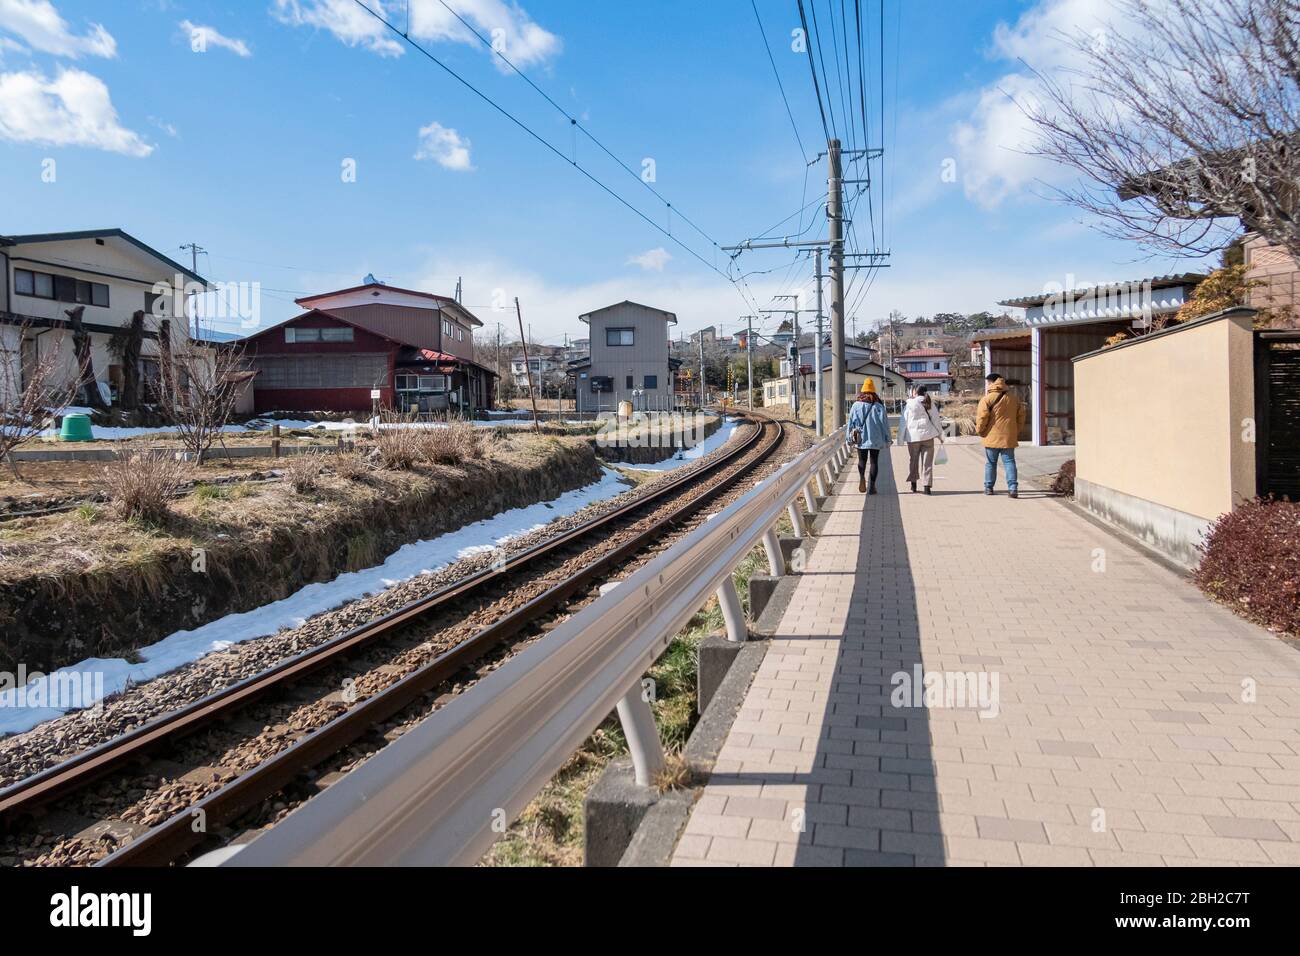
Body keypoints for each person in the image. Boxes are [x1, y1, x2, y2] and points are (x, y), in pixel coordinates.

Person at [975, 372, 1027, 498]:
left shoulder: (987, 399)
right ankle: (1013, 488)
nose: (986, 385)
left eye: (987, 383)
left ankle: (989, 488)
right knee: (1009, 462)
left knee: (991, 463)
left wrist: (980, 431)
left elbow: (982, 418)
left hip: (991, 437)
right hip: (1009, 437)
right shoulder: (1013, 398)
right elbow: (1021, 416)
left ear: (991, 382)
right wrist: (1016, 430)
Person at [896, 385, 944, 494]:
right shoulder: (930, 403)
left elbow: (903, 422)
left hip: (913, 438)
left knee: (913, 461)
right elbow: (936, 420)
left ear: (915, 393)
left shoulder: (909, 405)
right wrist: (941, 435)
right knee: (927, 463)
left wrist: (900, 440)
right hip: (928, 436)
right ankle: (927, 487)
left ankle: (913, 484)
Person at [847, 378, 890, 495]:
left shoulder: (855, 405)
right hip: (876, 439)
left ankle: (862, 478)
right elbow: (884, 424)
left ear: (862, 391)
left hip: (861, 438)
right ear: (873, 391)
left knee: (862, 460)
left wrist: (848, 438)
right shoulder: (879, 406)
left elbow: (850, 423)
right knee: (874, 462)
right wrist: (888, 439)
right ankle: (872, 486)